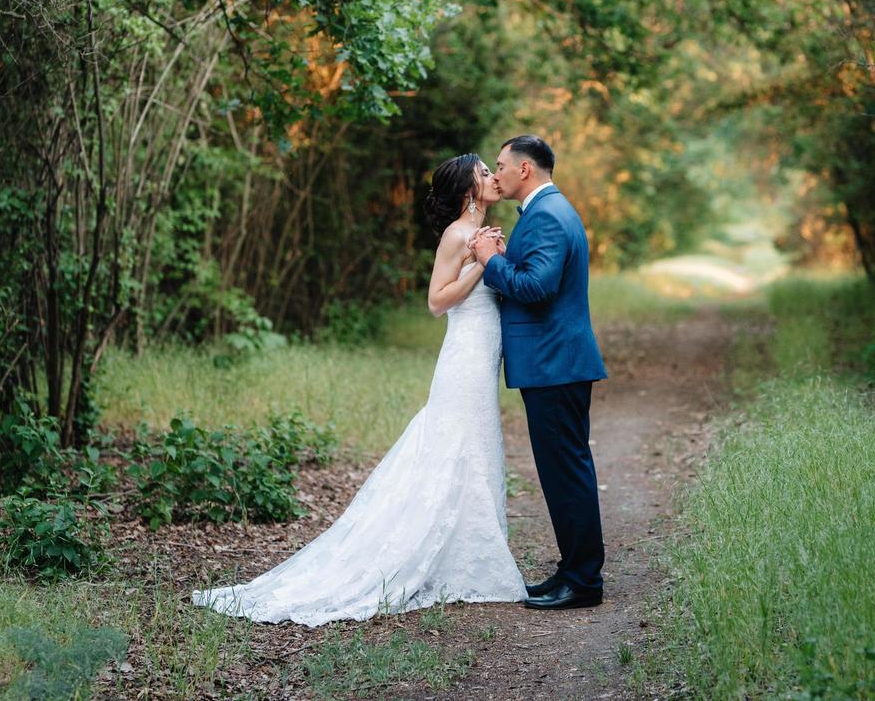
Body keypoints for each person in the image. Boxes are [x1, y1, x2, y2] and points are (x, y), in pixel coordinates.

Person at [191, 154, 526, 627]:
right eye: (483, 173)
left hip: (482, 353)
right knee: (456, 444)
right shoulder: (457, 234)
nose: (492, 177)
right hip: (464, 356)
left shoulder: (482, 232)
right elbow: (436, 302)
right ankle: (441, 558)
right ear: (469, 191)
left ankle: (469, 554)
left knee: (474, 446)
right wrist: (483, 265)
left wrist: (492, 256)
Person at [469, 134, 607, 610]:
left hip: (556, 364)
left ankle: (584, 582)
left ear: (524, 170)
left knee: (566, 472)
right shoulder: (547, 210)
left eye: (502, 166)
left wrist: (491, 262)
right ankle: (572, 570)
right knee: (561, 471)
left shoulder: (547, 214)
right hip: (553, 364)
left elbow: (536, 287)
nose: (496, 174)